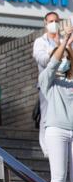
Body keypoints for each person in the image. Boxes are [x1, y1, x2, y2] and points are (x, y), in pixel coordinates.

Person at [39, 26, 73, 182]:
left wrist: (69, 49)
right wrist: (65, 40)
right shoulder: (47, 80)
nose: (64, 60)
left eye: (67, 58)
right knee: (58, 180)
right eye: (61, 58)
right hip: (56, 131)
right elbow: (53, 64)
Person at [33, 12, 62, 158]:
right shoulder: (40, 41)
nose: (53, 23)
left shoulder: (64, 40)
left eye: (56, 21)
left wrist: (60, 45)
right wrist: (58, 50)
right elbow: (42, 59)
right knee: (46, 116)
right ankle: (46, 149)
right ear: (45, 23)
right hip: (47, 85)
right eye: (51, 21)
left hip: (63, 86)